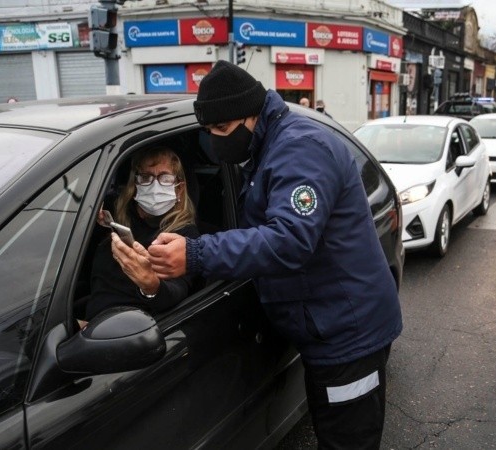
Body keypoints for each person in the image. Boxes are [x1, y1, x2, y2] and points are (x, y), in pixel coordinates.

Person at [148, 60, 402, 449]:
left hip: (349, 334)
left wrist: (197, 254)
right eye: (209, 131)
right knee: (331, 426)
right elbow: (259, 222)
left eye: (221, 129)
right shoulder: (267, 145)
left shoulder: (300, 149)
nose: (215, 141)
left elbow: (289, 239)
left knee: (348, 439)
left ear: (251, 115)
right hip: (327, 327)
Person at [86, 146, 200, 321]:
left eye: (165, 178)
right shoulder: (112, 212)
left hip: (128, 329)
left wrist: (151, 284)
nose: (155, 185)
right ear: (136, 184)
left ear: (179, 189)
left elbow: (177, 291)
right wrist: (89, 212)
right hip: (88, 321)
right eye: (146, 177)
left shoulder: (184, 233)